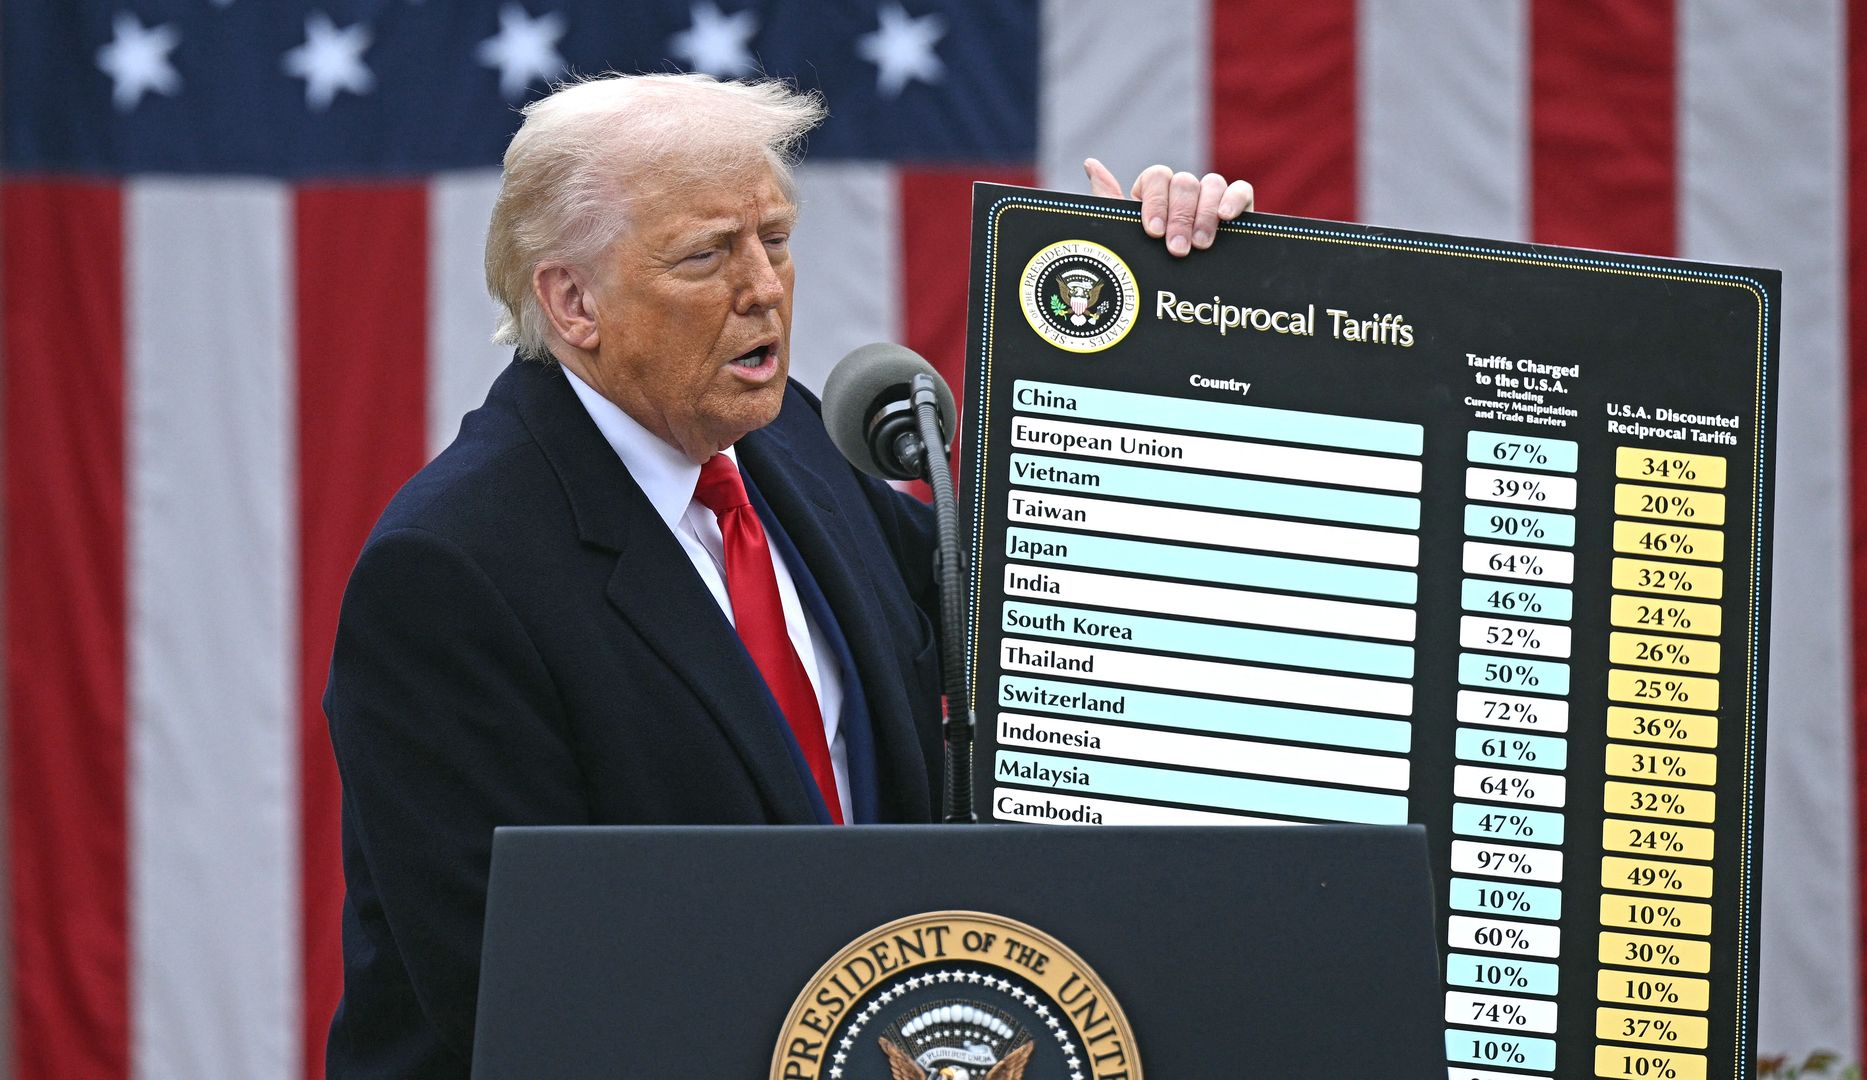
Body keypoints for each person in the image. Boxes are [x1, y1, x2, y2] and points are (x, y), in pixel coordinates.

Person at [323, 72, 1254, 1078]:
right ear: (573, 300)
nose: (763, 287)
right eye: (707, 255)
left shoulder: (794, 443)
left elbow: (1036, 617)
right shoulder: (452, 572)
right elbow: (525, 992)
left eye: (774, 237)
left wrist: (1145, 335)